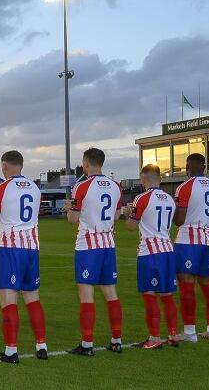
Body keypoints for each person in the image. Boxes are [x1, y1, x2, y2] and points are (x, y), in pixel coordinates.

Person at [63, 148, 124, 355]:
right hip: (108, 244)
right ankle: (116, 340)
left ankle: (87, 344)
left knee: (86, 294)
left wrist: (68, 209)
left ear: (86, 163)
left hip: (88, 246)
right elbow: (116, 216)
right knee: (111, 294)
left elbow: (72, 219)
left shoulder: (82, 186)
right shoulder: (116, 187)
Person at [0, 151, 47, 364]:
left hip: (10, 248)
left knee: (8, 297)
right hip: (32, 247)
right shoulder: (35, 188)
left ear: (4, 166)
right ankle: (41, 345)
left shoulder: (2, 188)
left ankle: (11, 351)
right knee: (32, 297)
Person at [123, 164, 179, 349]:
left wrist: (127, 213)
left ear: (143, 179)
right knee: (167, 295)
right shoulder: (170, 199)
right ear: (160, 178)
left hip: (150, 252)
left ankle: (154, 338)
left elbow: (131, 226)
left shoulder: (142, 198)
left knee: (149, 295)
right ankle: (173, 335)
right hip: (168, 250)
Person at [173, 153, 209, 342]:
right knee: (208, 285)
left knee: (186, 284)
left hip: (188, 240)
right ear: (205, 167)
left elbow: (179, 220)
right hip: (208, 240)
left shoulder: (185, 187)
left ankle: (190, 332)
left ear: (187, 168)